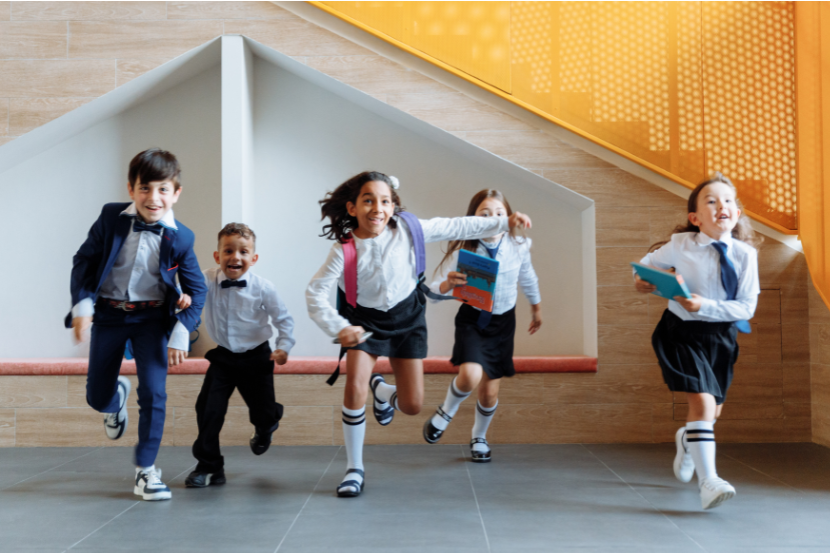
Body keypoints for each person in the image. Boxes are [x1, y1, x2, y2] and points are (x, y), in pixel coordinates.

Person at [306, 171, 531, 497]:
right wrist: (339, 327)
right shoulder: (344, 250)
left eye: (385, 201)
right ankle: (354, 468)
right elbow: (315, 293)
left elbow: (459, 225)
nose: (377, 208)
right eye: (368, 200)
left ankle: (383, 393)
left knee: (412, 405)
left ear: (394, 206)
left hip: (408, 318)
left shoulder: (410, 230)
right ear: (352, 208)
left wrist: (504, 222)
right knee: (354, 387)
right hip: (363, 323)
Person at [67, 148, 206, 501]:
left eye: (163, 189)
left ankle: (146, 471)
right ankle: (114, 401)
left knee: (155, 393)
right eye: (145, 188)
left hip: (152, 319)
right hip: (109, 315)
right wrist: (83, 305)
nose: (153, 198)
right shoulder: (111, 217)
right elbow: (84, 261)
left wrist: (180, 332)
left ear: (176, 193)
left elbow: (198, 290)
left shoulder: (183, 237)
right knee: (97, 396)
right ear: (131, 189)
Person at [634, 172, 761, 510]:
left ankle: (688, 441)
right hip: (681, 332)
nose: (722, 206)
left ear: (737, 213)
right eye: (712, 200)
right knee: (703, 406)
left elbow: (746, 307)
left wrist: (704, 305)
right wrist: (642, 281)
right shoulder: (680, 245)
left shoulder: (747, 255)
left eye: (729, 200)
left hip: (721, 336)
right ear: (695, 218)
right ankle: (709, 483)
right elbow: (644, 269)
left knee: (711, 412)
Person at [423, 189, 542, 463]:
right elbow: (433, 293)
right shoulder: (467, 251)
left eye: (499, 214)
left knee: (489, 393)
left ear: (509, 217)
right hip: (473, 321)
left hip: (503, 323)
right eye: (484, 214)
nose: (492, 220)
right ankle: (445, 413)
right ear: (473, 219)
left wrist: (536, 309)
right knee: (469, 377)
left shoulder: (519, 245)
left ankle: (479, 436)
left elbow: (528, 277)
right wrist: (447, 285)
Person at [185, 223, 295, 488]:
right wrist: (182, 297)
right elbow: (186, 287)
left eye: (244, 252)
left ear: (253, 259)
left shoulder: (264, 288)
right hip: (223, 357)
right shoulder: (207, 279)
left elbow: (284, 320)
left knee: (263, 412)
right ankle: (210, 466)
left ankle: (268, 423)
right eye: (229, 251)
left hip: (258, 357)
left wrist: (284, 347)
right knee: (207, 408)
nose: (236, 257)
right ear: (217, 256)